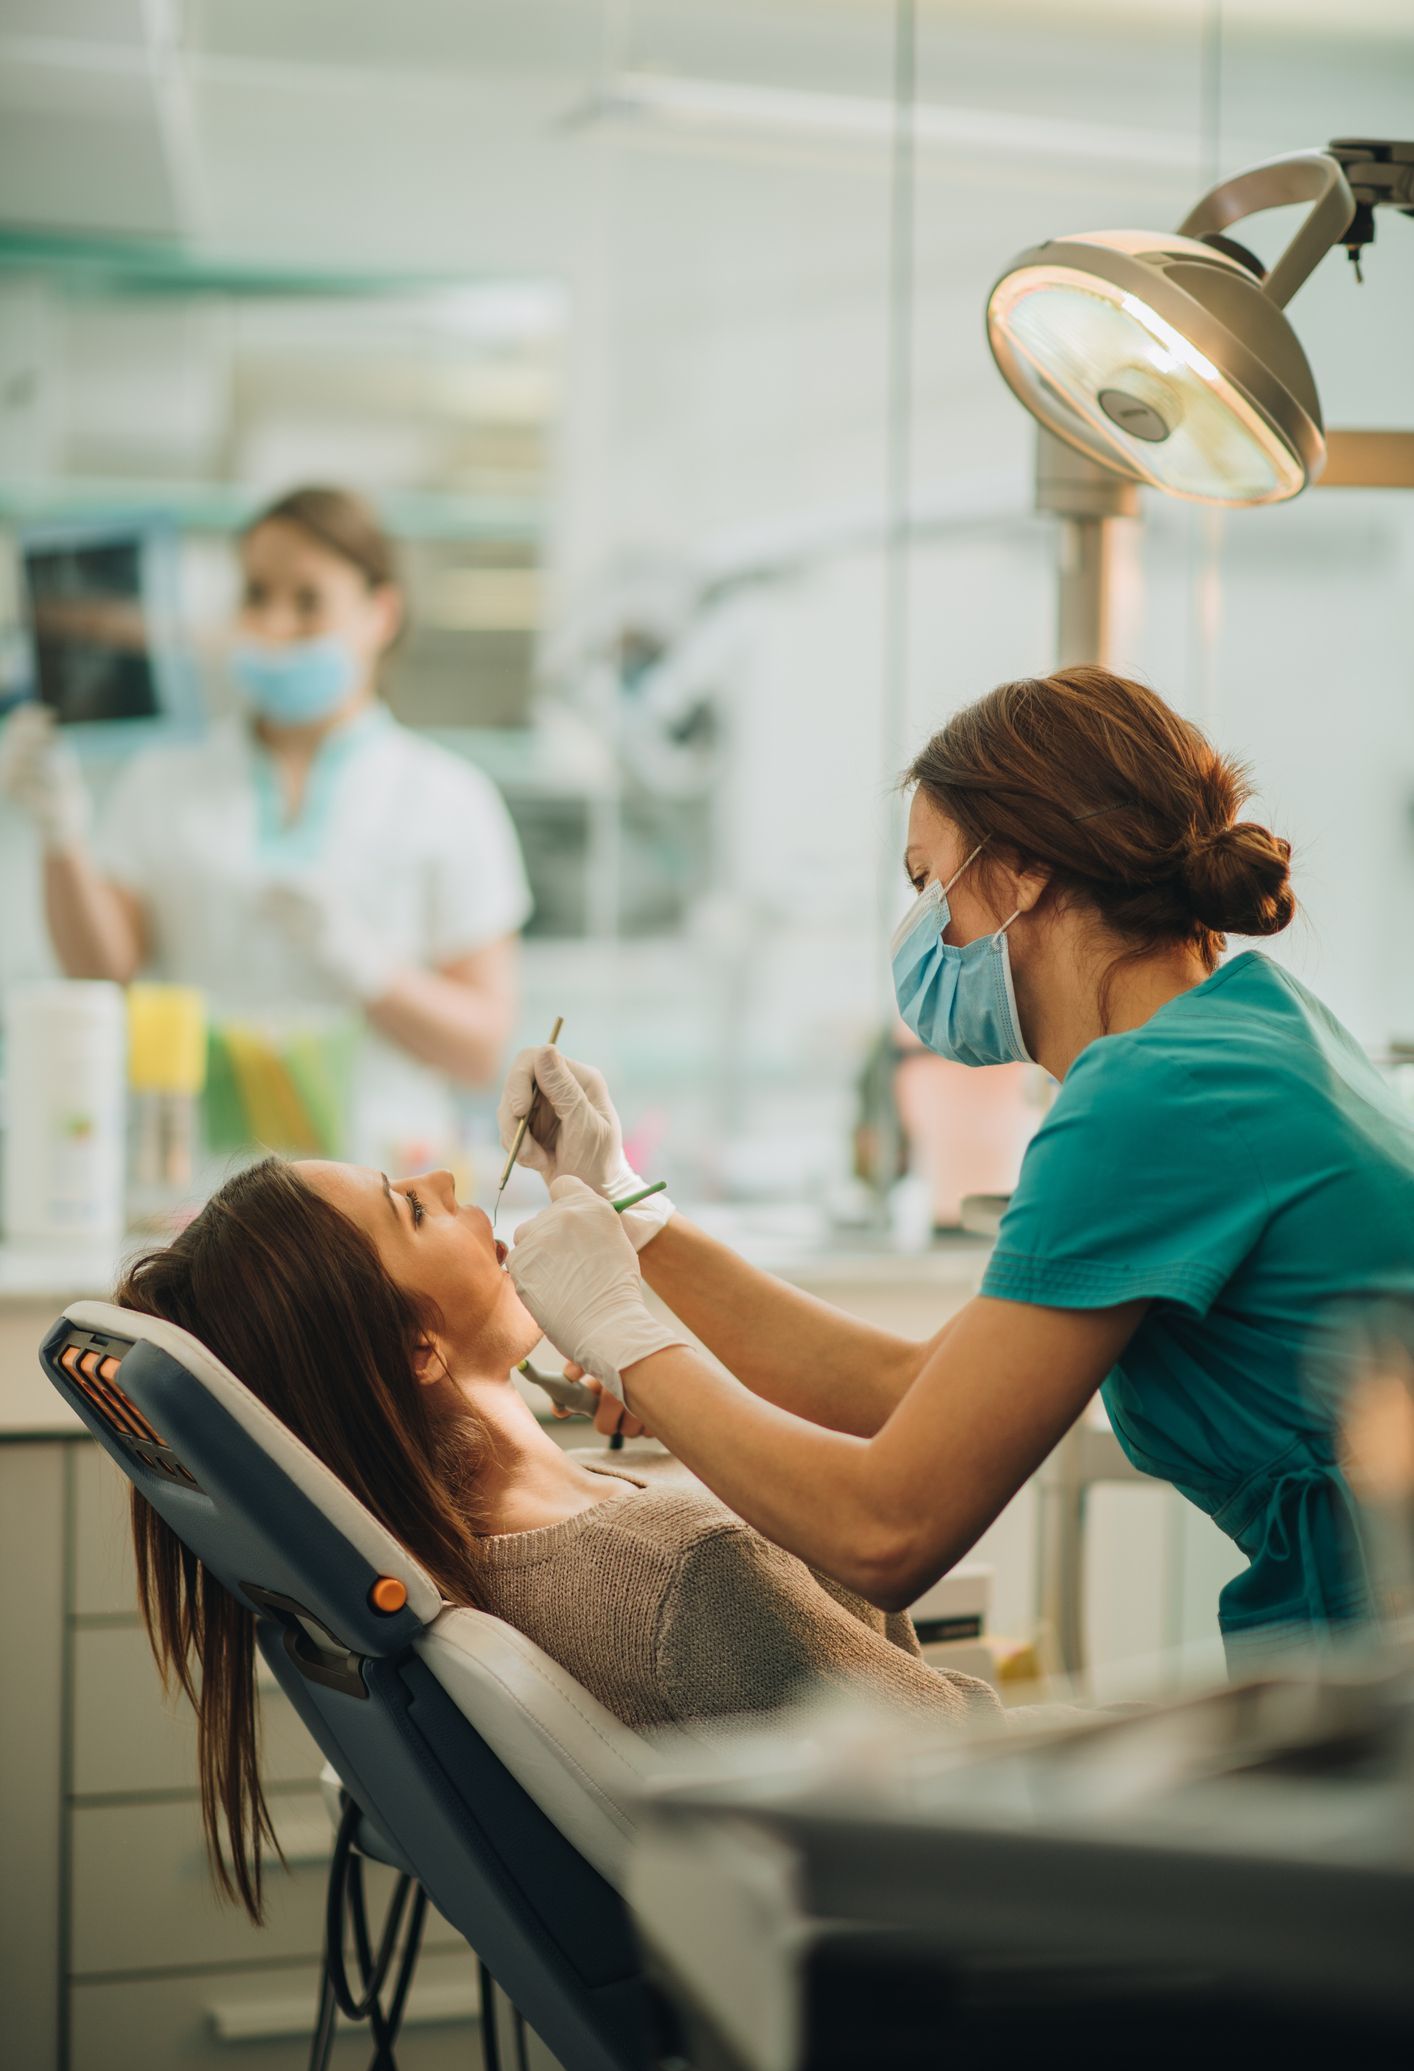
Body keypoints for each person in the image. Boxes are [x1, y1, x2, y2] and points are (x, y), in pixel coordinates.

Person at [500, 666, 1414, 1668]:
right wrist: (621, 1201)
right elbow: (906, 1386)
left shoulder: (1150, 1097)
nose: (923, 927)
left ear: (1022, 869)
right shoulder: (1250, 1032)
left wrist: (624, 1339)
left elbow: (887, 1531)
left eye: (926, 880)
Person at [116, 1156, 999, 1918]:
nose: (446, 1179)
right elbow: (974, 1787)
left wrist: (676, 1399)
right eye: (412, 1207)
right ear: (417, 1347)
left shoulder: (475, 1547)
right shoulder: (681, 1568)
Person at [0, 486, 531, 1162]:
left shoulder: (449, 799)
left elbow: (481, 1047)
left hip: (382, 1191)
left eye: (308, 601)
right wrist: (62, 836)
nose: (276, 623)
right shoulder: (165, 777)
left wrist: (365, 965)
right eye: (257, 595)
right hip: (198, 1191)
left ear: (381, 612)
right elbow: (104, 972)